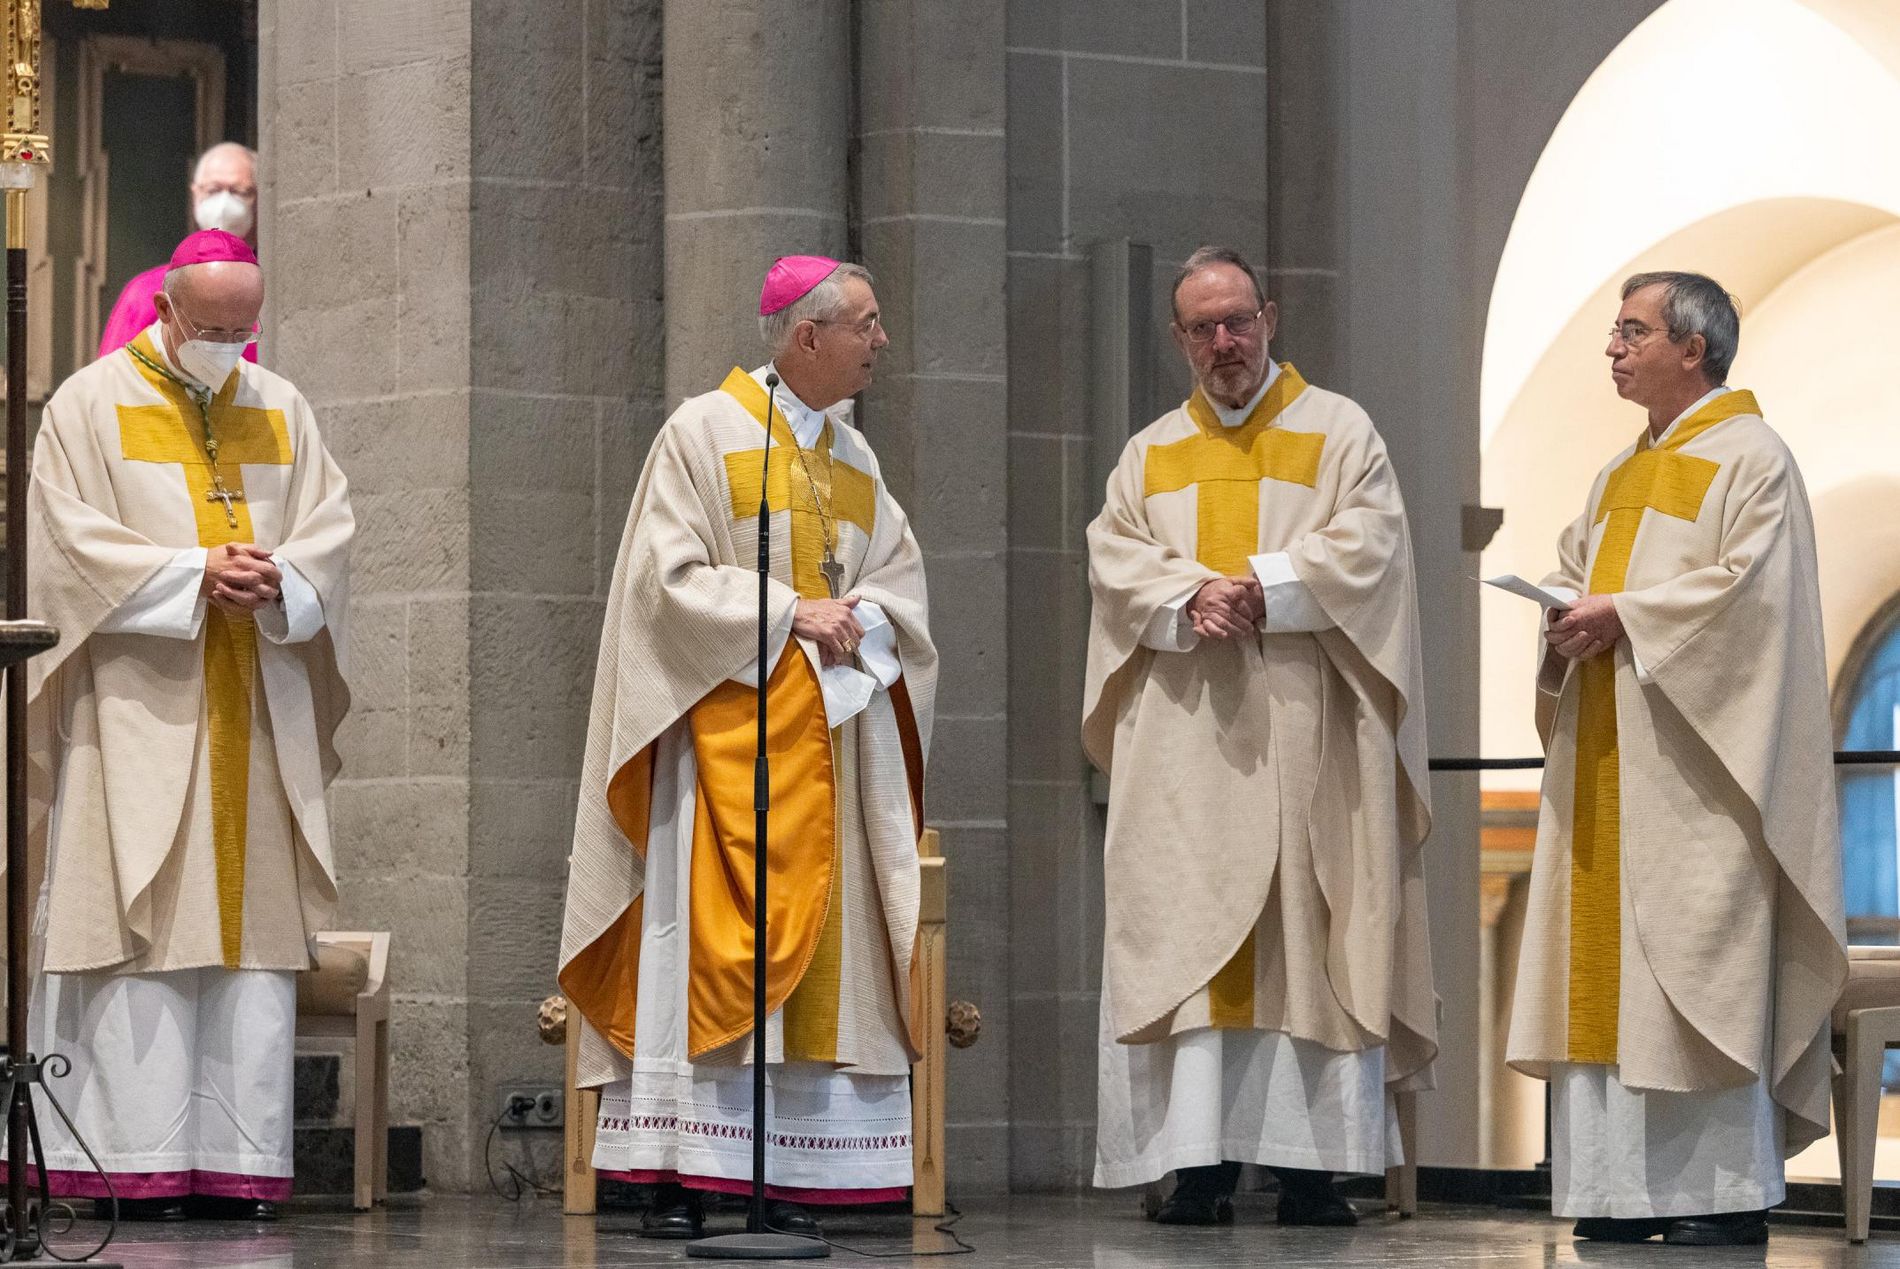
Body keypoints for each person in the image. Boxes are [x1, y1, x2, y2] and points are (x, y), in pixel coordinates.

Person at [558, 256, 936, 1240]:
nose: (880, 341)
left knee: (831, 948)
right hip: (722, 748)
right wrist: (784, 613)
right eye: (866, 322)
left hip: (831, 740)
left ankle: (807, 1173)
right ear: (805, 336)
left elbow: (900, 583)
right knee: (708, 939)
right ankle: (695, 1171)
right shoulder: (702, 431)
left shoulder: (856, 460)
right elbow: (662, 583)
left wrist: (863, 618)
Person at [1083, 245, 1436, 1227]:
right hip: (1188, 741)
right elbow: (1114, 562)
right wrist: (1187, 592)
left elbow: (1370, 545)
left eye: (1238, 320)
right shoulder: (1148, 453)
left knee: (1307, 933)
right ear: (1179, 338)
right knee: (1188, 930)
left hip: (1301, 731)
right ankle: (1194, 1164)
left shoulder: (1338, 433)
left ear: (1270, 317)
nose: (1224, 343)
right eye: (1203, 328)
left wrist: (1263, 588)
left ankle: (1311, 1168)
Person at [6, 229, 352, 1221]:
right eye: (210, 330)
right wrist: (190, 572)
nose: (228, 347)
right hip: (139, 703)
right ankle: (125, 1160)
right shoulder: (90, 402)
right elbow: (64, 540)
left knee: (250, 934)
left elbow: (331, 523)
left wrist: (282, 574)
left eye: (244, 331)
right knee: (140, 917)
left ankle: (236, 1162)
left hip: (256, 699)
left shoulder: (279, 403)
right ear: (166, 310)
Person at [1507, 271, 1846, 1248]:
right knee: (1609, 984)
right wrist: (1563, 614)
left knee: (1695, 978)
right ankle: (1618, 1196)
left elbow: (1756, 602)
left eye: (1630, 332)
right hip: (1611, 760)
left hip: (1702, 775)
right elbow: (1580, 571)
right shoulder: (1618, 473)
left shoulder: (1754, 458)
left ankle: (1718, 1195)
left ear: (1690, 349)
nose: (1611, 349)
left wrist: (1628, 616)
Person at [98, 142, 260, 363]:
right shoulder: (147, 292)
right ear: (196, 194)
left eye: (239, 191)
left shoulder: (277, 295)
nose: (224, 203)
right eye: (212, 190)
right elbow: (112, 378)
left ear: (260, 199)